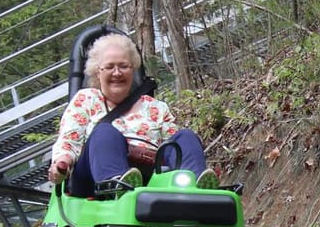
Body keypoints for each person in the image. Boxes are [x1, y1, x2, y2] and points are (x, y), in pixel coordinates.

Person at [47, 33, 219, 197]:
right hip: (93, 177)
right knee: (105, 132)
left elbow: (173, 149)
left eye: (123, 66)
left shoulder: (155, 107)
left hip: (150, 174)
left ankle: (196, 183)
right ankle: (116, 185)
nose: (117, 73)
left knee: (185, 137)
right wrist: (62, 163)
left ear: (133, 70)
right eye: (109, 67)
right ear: (97, 72)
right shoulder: (86, 99)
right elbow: (69, 141)